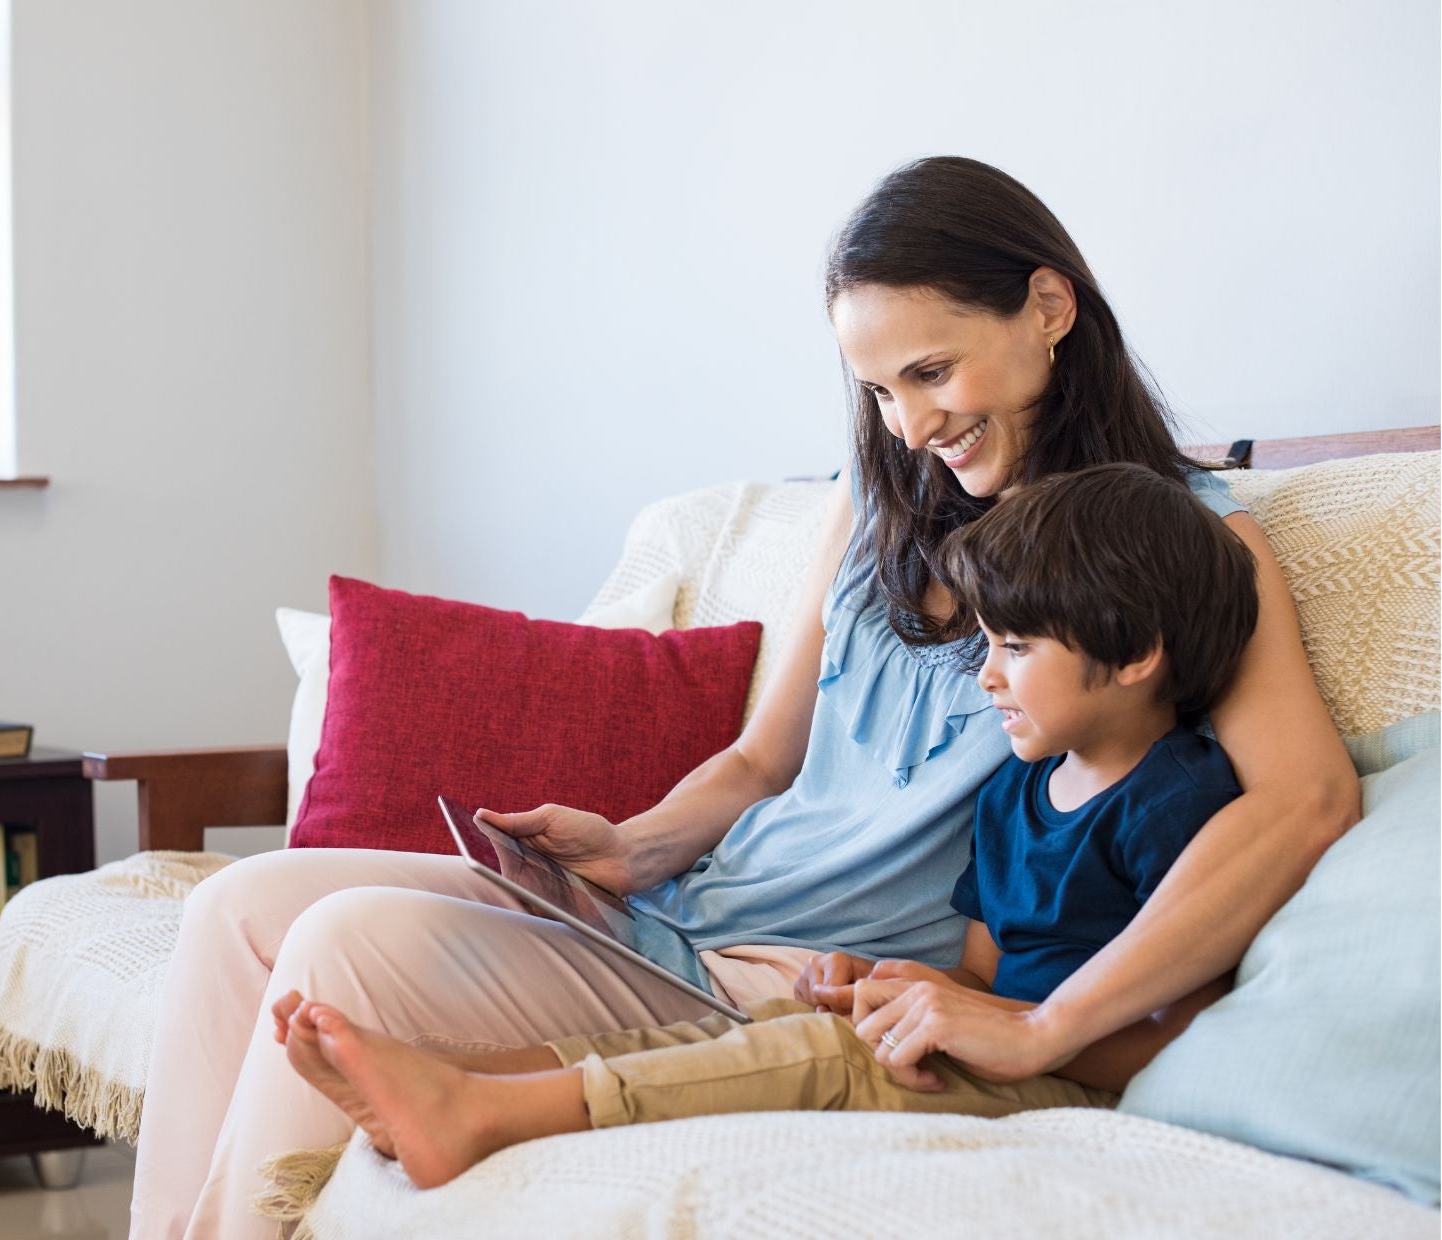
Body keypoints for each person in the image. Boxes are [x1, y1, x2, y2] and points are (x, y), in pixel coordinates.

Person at [130, 157, 1359, 1239]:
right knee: (236, 909)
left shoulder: (1183, 550)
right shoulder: (875, 499)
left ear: (1047, 307)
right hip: (684, 912)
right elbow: (763, 762)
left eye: (930, 370)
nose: (912, 421)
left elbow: (1303, 801)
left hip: (815, 973)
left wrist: (1048, 1025)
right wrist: (626, 843)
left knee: (345, 942)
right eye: (878, 389)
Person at [272, 462, 1262, 1187]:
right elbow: (976, 972)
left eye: (1013, 645)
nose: (986, 673)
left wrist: (1021, 1035)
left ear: (1133, 652)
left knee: (819, 1056)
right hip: (987, 1043)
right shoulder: (1012, 792)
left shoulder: (1177, 799)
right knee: (798, 1023)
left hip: (1063, 1078)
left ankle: (475, 1105)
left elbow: (1186, 1025)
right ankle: (452, 1080)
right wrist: (891, 985)